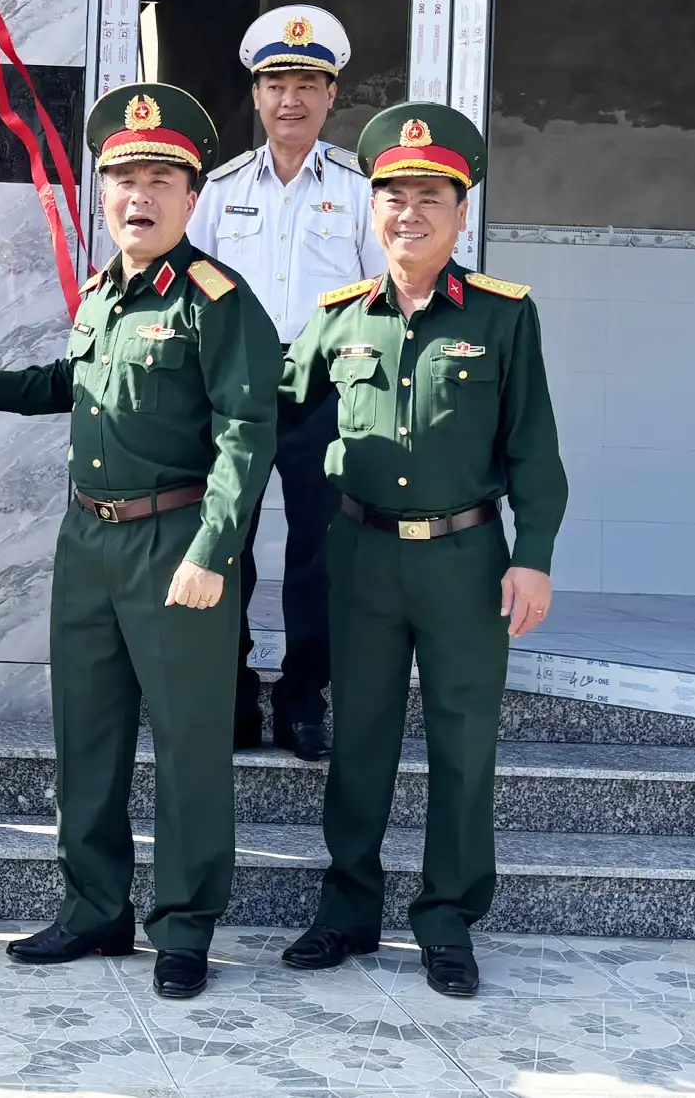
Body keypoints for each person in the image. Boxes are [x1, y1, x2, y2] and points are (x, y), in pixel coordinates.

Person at [0, 83, 276, 1001]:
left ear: (193, 194)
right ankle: (94, 909)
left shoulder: (218, 300)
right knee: (86, 736)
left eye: (161, 177)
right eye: (124, 176)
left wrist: (216, 550)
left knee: (190, 741)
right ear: (104, 190)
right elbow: (73, 383)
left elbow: (248, 434)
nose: (140, 194)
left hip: (176, 545)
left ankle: (185, 925)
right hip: (87, 542)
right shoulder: (101, 292)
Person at [277, 102, 566, 999]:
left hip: (464, 561)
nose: (410, 211)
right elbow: (269, 409)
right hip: (361, 559)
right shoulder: (336, 317)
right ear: (373, 211)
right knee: (358, 734)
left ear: (461, 210)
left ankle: (447, 920)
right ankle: (348, 910)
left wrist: (536, 553)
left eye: (430, 195)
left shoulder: (503, 317)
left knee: (462, 742)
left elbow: (536, 452)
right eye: (393, 195)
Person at [188, 5, 380, 762]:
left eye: (307, 83)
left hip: (327, 389)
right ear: (257, 95)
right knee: (224, 540)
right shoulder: (220, 187)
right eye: (275, 83)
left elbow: (378, 291)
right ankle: (230, 697)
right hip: (237, 387)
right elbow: (191, 282)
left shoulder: (360, 189)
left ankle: (304, 699)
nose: (290, 99)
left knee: (320, 553)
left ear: (332, 95)